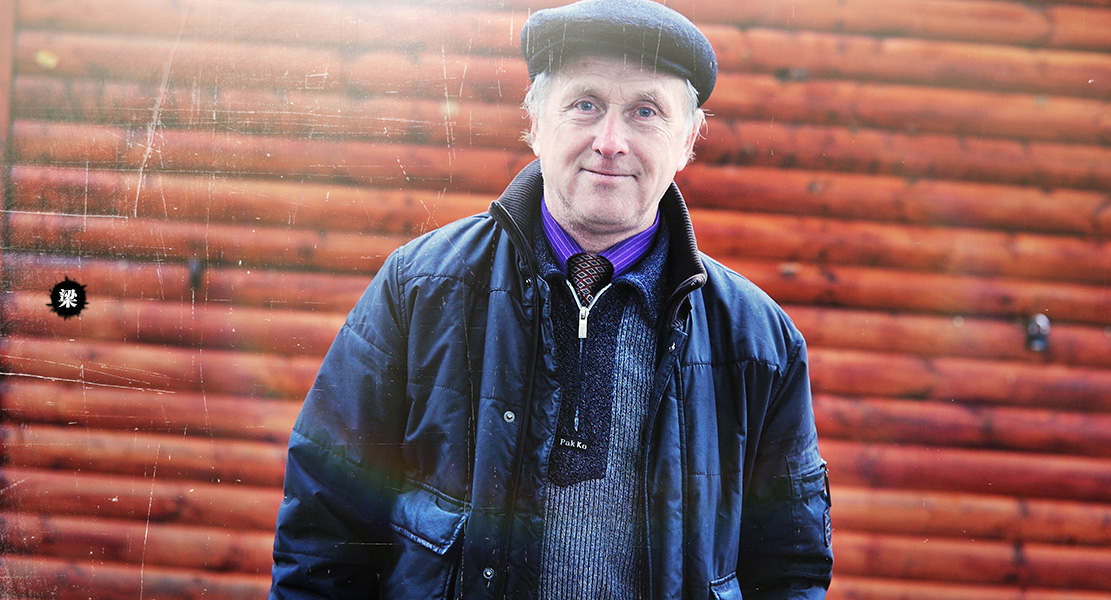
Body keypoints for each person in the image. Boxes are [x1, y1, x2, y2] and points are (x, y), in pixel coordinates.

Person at [269, 0, 833, 597]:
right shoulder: (420, 287)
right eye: (585, 104)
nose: (610, 142)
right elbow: (324, 526)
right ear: (535, 122)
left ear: (688, 140)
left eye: (645, 112)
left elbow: (790, 565)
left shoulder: (758, 340)